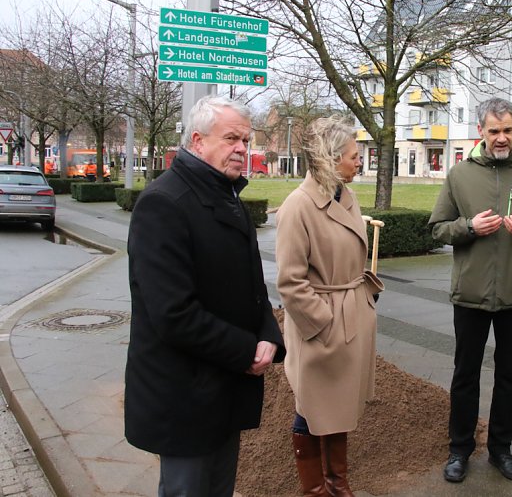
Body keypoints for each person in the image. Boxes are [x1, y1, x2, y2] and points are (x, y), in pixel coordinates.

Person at [125, 95, 286, 497]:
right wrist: (247, 349)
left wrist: (269, 334)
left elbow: (251, 287)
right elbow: (173, 314)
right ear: (197, 141)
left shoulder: (225, 195)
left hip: (223, 388)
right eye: (231, 138)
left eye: (246, 141)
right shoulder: (164, 204)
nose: (242, 150)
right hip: (185, 397)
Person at [428, 97, 512, 483]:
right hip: (470, 294)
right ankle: (459, 450)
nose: (501, 138)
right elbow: (438, 227)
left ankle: (501, 450)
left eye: (507, 130)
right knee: (465, 375)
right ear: (480, 132)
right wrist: (470, 227)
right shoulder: (460, 174)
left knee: (510, 376)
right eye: (494, 131)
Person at [275, 117, 384, 497]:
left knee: (339, 407)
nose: (360, 162)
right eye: (354, 156)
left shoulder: (346, 197)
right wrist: (323, 324)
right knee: (311, 409)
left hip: (350, 317)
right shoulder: (298, 207)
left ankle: (339, 483)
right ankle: (315, 490)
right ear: (331, 158)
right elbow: (290, 282)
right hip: (320, 328)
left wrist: (364, 295)